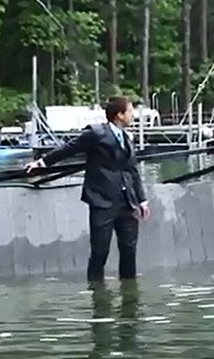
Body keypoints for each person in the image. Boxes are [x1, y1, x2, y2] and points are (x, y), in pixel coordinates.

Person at [24, 96, 150, 282]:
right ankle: (97, 293)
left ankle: (129, 293)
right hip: (103, 200)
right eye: (130, 112)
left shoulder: (126, 137)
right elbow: (69, 149)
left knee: (129, 250)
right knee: (100, 251)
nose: (133, 116)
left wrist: (142, 200)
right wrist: (42, 162)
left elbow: (132, 170)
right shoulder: (97, 133)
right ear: (119, 115)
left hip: (127, 201)